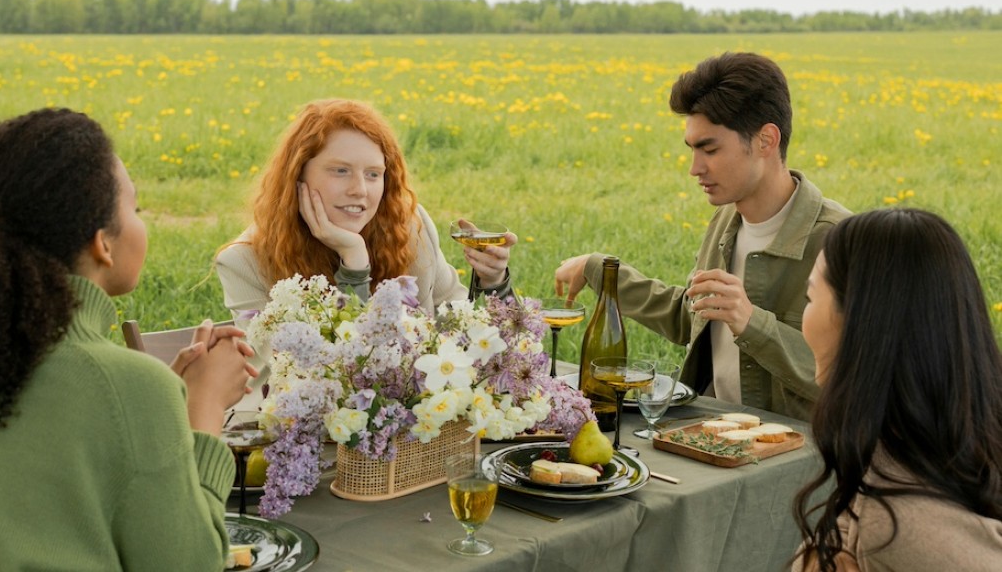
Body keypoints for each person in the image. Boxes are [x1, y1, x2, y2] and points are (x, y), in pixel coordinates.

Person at [0, 108, 258, 570]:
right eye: (135, 209)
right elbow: (188, 562)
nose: (140, 220)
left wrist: (164, 407)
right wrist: (203, 411)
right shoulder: (130, 388)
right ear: (102, 244)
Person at [555, 52, 850, 420]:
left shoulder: (842, 243)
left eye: (709, 149)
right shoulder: (727, 219)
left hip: (801, 456)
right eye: (692, 150)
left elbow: (853, 378)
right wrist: (600, 270)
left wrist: (751, 322)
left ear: (766, 140)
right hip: (717, 435)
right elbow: (693, 316)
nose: (695, 169)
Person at [792, 208, 1002, 571]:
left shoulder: (895, 529)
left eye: (810, 298)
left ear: (858, 324)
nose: (803, 317)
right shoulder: (944, 449)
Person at [216, 98, 516, 322]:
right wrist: (354, 263)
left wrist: (493, 281)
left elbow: (462, 333)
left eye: (373, 174)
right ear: (297, 176)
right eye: (341, 171)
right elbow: (304, 385)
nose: (359, 189)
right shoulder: (243, 262)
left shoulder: (408, 227)